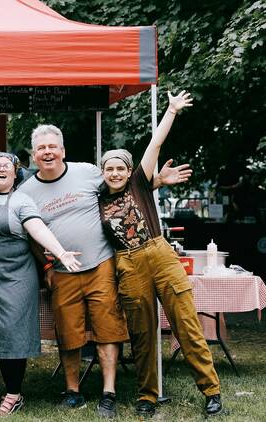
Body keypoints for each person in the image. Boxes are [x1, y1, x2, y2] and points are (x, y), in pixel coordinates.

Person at [17, 123, 190, 417]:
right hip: (61, 272)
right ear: (34, 156)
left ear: (62, 150)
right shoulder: (26, 190)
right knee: (68, 334)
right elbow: (28, 233)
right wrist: (46, 264)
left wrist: (155, 182)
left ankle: (108, 392)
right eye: (41, 148)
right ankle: (72, 391)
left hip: (101, 265)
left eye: (52, 147)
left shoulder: (86, 172)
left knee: (108, 330)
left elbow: (119, 185)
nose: (47, 153)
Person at [99, 91, 223, 418]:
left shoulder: (139, 183)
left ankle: (211, 391)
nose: (114, 173)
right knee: (142, 333)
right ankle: (147, 396)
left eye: (119, 168)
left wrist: (170, 110)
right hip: (127, 263)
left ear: (128, 171)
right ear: (103, 172)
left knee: (185, 323)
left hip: (159, 253)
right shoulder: (97, 201)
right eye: (109, 169)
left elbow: (154, 146)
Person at [0, 88, 82, 416]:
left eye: (7, 165)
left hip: (15, 280)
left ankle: (14, 393)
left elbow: (37, 229)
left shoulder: (21, 199)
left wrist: (59, 252)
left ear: (16, 173)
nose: (0, 166)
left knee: (12, 334)